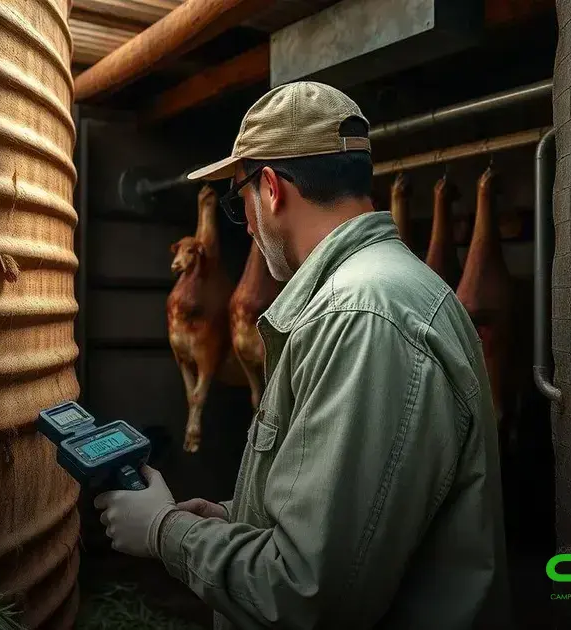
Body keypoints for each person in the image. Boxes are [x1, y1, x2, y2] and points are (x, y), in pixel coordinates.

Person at [94, 81, 512, 629]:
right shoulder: (380, 294)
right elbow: (356, 520)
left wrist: (164, 533)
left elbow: (308, 592)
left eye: (238, 200)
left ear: (270, 189)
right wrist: (234, 520)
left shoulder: (360, 318)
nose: (245, 223)